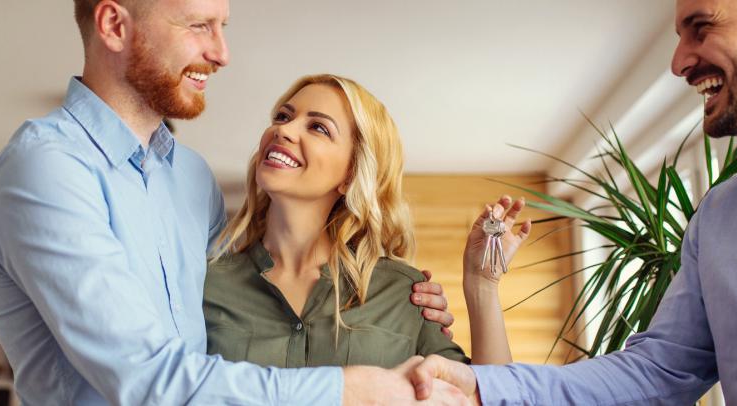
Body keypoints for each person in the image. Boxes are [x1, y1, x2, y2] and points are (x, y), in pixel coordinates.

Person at [409, 0, 737, 405]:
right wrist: (485, 386)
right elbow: (657, 371)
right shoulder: (721, 216)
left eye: (700, 27)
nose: (679, 61)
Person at [0, 0, 462, 404]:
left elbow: (230, 307)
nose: (222, 52)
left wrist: (413, 299)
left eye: (222, 27)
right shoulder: (46, 167)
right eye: (198, 27)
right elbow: (147, 379)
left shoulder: (190, 177)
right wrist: (351, 389)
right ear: (114, 25)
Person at [204, 74, 533, 368]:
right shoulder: (205, 283)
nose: (283, 129)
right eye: (283, 116)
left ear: (351, 174)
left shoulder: (403, 291)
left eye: (318, 127)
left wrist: (482, 284)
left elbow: (484, 397)